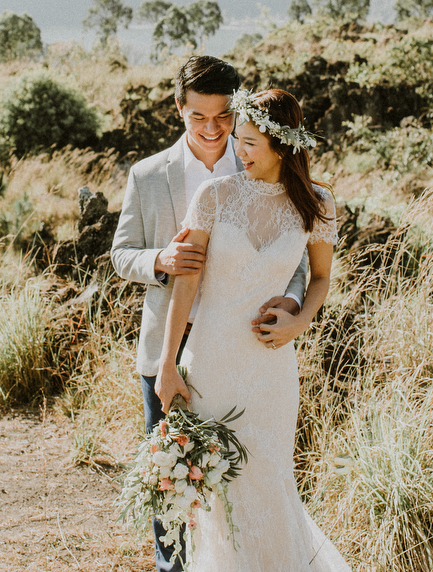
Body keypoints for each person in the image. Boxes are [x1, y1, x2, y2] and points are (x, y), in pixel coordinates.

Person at [111, 57, 308, 572]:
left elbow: (293, 259)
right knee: (173, 483)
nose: (213, 128)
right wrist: (160, 259)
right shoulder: (148, 175)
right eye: (199, 116)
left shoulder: (259, 163)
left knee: (241, 484)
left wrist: (292, 303)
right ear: (179, 109)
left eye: (223, 116)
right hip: (169, 349)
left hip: (244, 349)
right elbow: (120, 253)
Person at [151, 88, 349, 572]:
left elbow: (320, 278)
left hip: (271, 369)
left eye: (250, 143)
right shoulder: (214, 196)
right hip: (212, 365)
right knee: (219, 498)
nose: (238, 151)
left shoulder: (317, 204)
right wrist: (167, 364)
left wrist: (299, 321)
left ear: (282, 146)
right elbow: (185, 283)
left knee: (269, 482)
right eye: (238, 139)